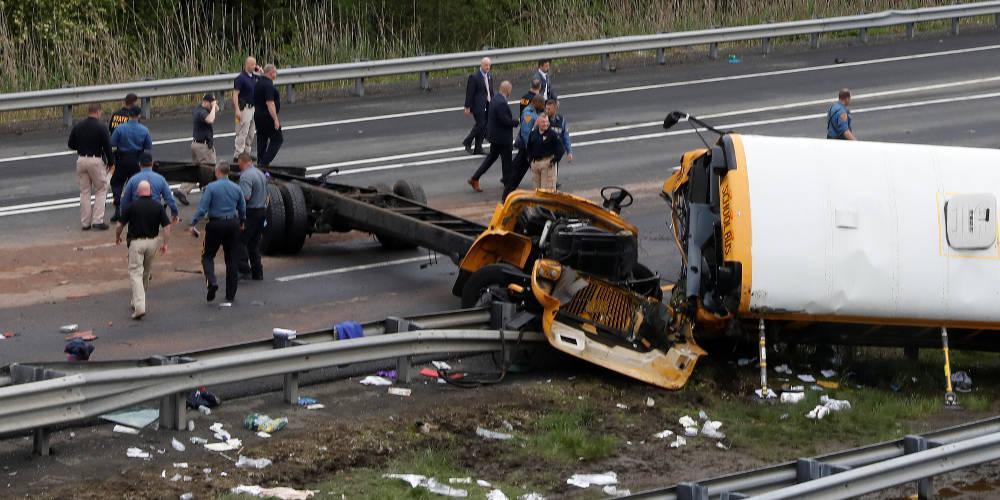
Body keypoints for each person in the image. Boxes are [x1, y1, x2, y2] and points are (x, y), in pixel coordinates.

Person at [189, 162, 246, 303]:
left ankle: (212, 281)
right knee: (232, 258)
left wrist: (193, 222)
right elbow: (242, 206)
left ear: (217, 172)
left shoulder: (211, 188)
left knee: (207, 255)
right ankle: (231, 294)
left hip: (215, 224)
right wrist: (242, 221)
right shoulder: (236, 187)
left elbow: (203, 208)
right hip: (232, 224)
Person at [115, 180, 171, 320]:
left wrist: (117, 237)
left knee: (135, 273)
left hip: (136, 243)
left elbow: (119, 225)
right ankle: (137, 300)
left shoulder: (131, 206)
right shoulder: (158, 206)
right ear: (150, 192)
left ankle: (140, 306)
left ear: (138, 192)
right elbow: (167, 227)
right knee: (146, 273)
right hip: (152, 242)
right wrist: (165, 243)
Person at [67, 103, 113, 231]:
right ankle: (97, 220)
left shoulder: (79, 126)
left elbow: (71, 144)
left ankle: (85, 223)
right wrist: (111, 162)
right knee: (101, 188)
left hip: (81, 160)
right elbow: (108, 147)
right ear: (98, 112)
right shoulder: (101, 127)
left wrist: (81, 147)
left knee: (85, 192)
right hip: (95, 160)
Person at [467, 81, 517, 193]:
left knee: (491, 158)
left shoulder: (494, 99)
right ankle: (508, 184)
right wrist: (516, 122)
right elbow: (505, 120)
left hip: (495, 136)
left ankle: (475, 178)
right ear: (507, 90)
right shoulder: (502, 103)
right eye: (510, 90)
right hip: (503, 138)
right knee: (507, 161)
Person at [173, 94, 220, 205]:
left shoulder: (200, 107)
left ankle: (182, 191)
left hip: (197, 145)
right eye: (211, 103)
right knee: (210, 171)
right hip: (203, 148)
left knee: (196, 171)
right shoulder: (201, 112)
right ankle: (208, 196)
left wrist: (214, 105)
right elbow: (210, 119)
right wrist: (213, 107)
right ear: (207, 103)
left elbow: (217, 109)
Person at [110, 107, 152, 221]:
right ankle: (134, 210)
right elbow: (148, 147)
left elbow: (112, 143)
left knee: (116, 182)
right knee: (135, 184)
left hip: (122, 159)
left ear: (128, 115)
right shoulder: (144, 130)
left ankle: (118, 206)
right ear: (139, 116)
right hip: (137, 159)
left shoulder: (120, 128)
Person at [501, 95, 545, 201]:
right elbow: (526, 133)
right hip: (526, 148)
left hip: (528, 148)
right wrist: (530, 148)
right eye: (542, 104)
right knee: (518, 173)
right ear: (537, 103)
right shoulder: (528, 114)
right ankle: (507, 195)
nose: (543, 106)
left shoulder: (534, 112)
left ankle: (507, 193)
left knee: (519, 172)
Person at [120, 152, 179, 221]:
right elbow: (169, 199)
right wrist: (175, 213)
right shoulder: (160, 179)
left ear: (139, 164)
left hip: (137, 214)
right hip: (154, 213)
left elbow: (125, 200)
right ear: (152, 163)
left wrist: (124, 217)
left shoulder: (132, 180)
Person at [236, 153, 267, 280]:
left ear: (243, 161)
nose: (238, 166)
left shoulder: (245, 176)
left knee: (239, 241)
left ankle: (244, 269)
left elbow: (246, 197)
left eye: (239, 163)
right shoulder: (260, 173)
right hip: (262, 212)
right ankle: (257, 272)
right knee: (254, 243)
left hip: (251, 213)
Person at [463, 57, 494, 155]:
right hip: (478, 106)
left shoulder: (489, 76)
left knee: (484, 126)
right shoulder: (474, 77)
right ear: (481, 65)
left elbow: (491, 90)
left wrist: (493, 102)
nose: (488, 67)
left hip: (488, 104)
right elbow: (470, 93)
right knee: (480, 124)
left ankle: (478, 147)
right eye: (486, 65)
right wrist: (467, 107)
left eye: (489, 65)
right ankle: (467, 141)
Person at [233, 56, 262, 160]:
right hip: (244, 108)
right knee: (242, 132)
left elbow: (264, 81)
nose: (255, 66)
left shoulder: (254, 77)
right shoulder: (240, 78)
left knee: (251, 132)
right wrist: (237, 109)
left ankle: (247, 153)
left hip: (253, 108)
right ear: (247, 65)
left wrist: (261, 72)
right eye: (252, 65)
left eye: (255, 64)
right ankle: (238, 155)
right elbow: (235, 94)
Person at [254, 64, 283, 166]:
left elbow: (263, 75)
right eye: (275, 72)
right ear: (271, 73)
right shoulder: (268, 85)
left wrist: (262, 72)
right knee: (277, 139)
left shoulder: (259, 82)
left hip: (258, 115)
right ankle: (264, 163)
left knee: (262, 139)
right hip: (267, 116)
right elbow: (270, 103)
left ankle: (260, 161)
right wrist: (275, 119)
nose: (276, 74)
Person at [526, 114, 564, 191]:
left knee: (547, 191)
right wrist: (530, 161)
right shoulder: (533, 134)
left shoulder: (553, 134)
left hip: (547, 164)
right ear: (538, 122)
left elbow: (561, 149)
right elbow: (529, 147)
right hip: (535, 164)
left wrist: (553, 161)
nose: (545, 124)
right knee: (536, 190)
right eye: (543, 122)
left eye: (547, 122)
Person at [544, 99, 573, 163]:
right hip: (545, 153)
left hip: (556, 152)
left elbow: (566, 136)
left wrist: (569, 152)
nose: (546, 111)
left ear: (555, 109)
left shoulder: (561, 120)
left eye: (549, 109)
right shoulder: (543, 120)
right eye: (546, 108)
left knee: (554, 170)